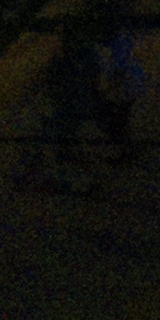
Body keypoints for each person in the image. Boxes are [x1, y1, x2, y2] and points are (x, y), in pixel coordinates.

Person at [15, 19, 105, 191]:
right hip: (75, 106)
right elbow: (93, 82)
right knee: (63, 144)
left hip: (65, 107)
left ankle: (56, 178)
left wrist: (32, 93)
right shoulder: (88, 57)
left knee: (58, 143)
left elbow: (46, 79)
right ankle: (64, 177)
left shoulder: (65, 59)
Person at [94, 20, 146, 165]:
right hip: (123, 92)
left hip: (121, 93)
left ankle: (125, 153)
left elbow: (118, 71)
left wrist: (109, 89)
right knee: (119, 122)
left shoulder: (118, 46)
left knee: (117, 123)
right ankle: (126, 152)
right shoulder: (121, 43)